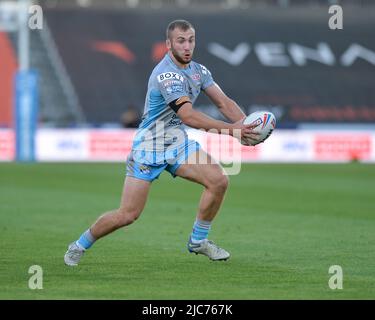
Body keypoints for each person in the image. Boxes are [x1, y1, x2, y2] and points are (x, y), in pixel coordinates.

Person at [64, 19, 259, 266]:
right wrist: (233, 131)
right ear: (168, 44)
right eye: (181, 41)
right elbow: (188, 115)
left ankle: (198, 241)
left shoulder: (199, 70)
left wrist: (246, 125)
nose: (187, 46)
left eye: (191, 40)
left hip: (177, 143)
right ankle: (79, 244)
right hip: (148, 147)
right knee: (128, 214)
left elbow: (223, 102)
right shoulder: (167, 75)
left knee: (218, 180)